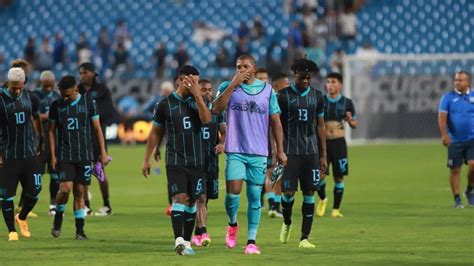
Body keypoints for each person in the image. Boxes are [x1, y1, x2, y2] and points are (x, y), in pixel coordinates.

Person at [213, 54, 287, 255]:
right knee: (232, 195)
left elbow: (276, 122)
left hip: (259, 153)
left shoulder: (267, 91)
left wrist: (280, 150)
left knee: (255, 197)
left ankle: (251, 241)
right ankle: (232, 224)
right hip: (235, 150)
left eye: (245, 66)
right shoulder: (228, 86)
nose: (242, 70)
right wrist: (233, 84)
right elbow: (216, 108)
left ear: (254, 69)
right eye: (238, 67)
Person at [142, 65, 211, 255]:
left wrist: (198, 96)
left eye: (198, 81)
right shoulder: (165, 104)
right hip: (175, 160)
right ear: (182, 80)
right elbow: (155, 132)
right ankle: (178, 240)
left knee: (191, 202)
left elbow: (206, 120)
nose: (197, 85)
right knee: (179, 197)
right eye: (193, 81)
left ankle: (187, 242)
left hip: (197, 161)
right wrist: (147, 159)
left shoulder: (199, 102)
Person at [49, 75, 108, 240]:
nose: (65, 98)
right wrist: (53, 155)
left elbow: (97, 129)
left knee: (80, 192)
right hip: (65, 155)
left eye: (68, 95)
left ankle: (80, 230)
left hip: (84, 155)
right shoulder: (56, 105)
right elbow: (52, 131)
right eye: (62, 95)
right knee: (65, 189)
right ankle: (58, 216)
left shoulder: (89, 103)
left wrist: (103, 152)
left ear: (76, 89)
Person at [277, 58, 327, 248]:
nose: (305, 80)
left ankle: (304, 238)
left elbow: (320, 127)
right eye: (302, 77)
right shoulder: (282, 96)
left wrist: (323, 156)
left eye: (309, 77)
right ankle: (287, 222)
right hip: (290, 153)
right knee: (288, 193)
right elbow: (276, 124)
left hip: (311, 153)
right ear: (294, 75)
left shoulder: (318, 96)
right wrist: (277, 150)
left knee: (309, 193)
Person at [0, 67, 43, 241]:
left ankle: (22, 217)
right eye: (13, 88)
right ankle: (11, 230)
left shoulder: (31, 97)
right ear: (8, 83)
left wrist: (40, 140)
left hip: (29, 153)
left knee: (35, 191)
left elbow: (36, 117)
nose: (17, 91)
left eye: (20, 87)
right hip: (8, 155)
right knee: (6, 195)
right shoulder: (1, 100)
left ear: (24, 84)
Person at [316, 72, 357, 218]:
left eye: (333, 82)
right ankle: (323, 198)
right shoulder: (320, 100)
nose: (330, 85)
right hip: (323, 143)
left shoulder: (347, 102)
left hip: (339, 143)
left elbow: (354, 124)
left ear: (340, 84)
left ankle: (335, 209)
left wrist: (350, 120)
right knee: (320, 175)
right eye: (328, 82)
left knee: (339, 177)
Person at [191, 79, 226, 247]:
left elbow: (225, 132)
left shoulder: (217, 110)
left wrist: (222, 143)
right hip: (195, 161)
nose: (207, 92)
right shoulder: (191, 108)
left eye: (209, 90)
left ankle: (198, 232)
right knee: (200, 197)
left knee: (207, 199)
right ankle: (204, 231)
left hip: (212, 161)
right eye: (203, 89)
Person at [78, 62, 116, 216]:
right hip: (82, 135)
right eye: (81, 73)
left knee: (99, 170)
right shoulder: (77, 90)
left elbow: (108, 111)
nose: (83, 75)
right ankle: (86, 205)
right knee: (85, 170)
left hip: (97, 134)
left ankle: (106, 204)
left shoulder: (102, 90)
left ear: (93, 73)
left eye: (85, 72)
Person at [438, 71, 474, 208]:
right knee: (455, 170)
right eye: (456, 80)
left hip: (472, 138)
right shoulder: (447, 98)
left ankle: (470, 189)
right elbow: (442, 118)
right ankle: (457, 198)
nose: (457, 82)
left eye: (460, 80)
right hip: (454, 140)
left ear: (467, 82)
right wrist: (444, 135)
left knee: (473, 165)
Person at [32, 71, 61, 216]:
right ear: (41, 82)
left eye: (51, 85)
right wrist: (47, 116)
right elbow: (32, 116)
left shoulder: (57, 96)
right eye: (46, 85)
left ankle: (53, 204)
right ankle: (27, 204)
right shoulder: (34, 96)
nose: (49, 88)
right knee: (35, 174)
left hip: (54, 141)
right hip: (38, 140)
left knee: (55, 174)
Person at [265, 73, 291, 218]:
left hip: (275, 141)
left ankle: (273, 205)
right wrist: (276, 146)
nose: (288, 86)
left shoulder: (276, 98)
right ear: (276, 85)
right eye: (286, 84)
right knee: (274, 172)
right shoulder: (275, 98)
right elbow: (274, 124)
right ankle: (274, 206)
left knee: (274, 173)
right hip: (271, 141)